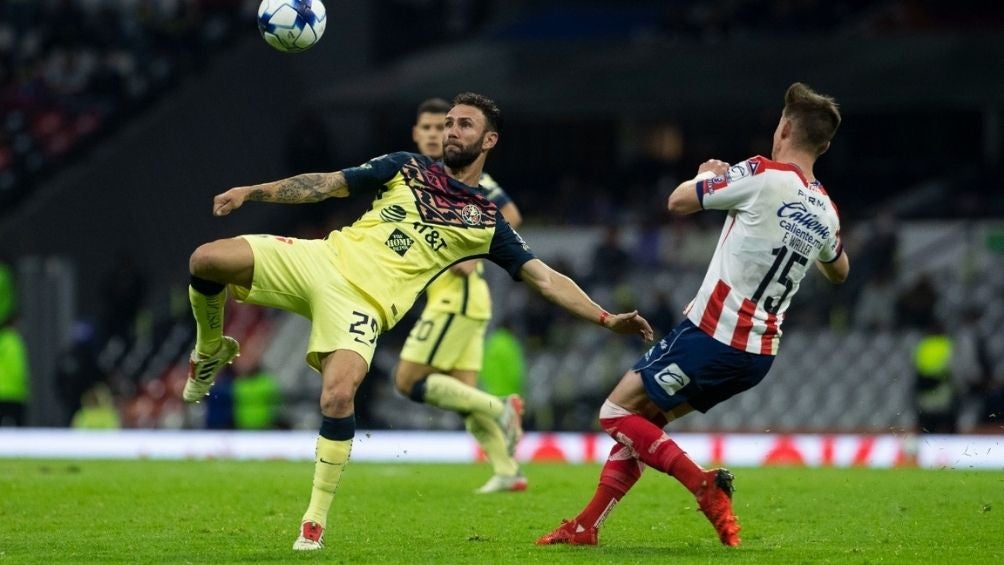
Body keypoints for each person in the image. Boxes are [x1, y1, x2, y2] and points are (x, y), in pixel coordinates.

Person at [180, 92, 653, 551]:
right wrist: (253, 191)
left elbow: (545, 279)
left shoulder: (485, 220)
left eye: (464, 124)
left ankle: (313, 523)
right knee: (206, 260)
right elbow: (327, 183)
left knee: (339, 394)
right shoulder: (407, 165)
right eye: (448, 123)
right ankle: (210, 349)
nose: (451, 131)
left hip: (364, 305)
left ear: (489, 140)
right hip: (321, 259)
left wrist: (606, 317)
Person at [537, 82, 849, 548]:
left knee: (615, 411)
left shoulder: (762, 173)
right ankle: (586, 527)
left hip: (713, 334)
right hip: (757, 355)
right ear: (823, 146)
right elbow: (840, 270)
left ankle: (702, 485)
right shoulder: (825, 209)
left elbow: (678, 201)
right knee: (645, 427)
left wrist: (706, 176)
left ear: (783, 128)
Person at [393, 97, 528, 494]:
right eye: (431, 128)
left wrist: (475, 251)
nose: (439, 134)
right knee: (461, 395)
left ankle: (501, 407)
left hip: (457, 296)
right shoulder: (423, 176)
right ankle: (508, 470)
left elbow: (512, 215)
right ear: (417, 134)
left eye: (445, 127)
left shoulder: (466, 177)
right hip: (460, 300)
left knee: (406, 380)